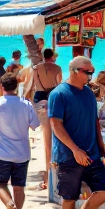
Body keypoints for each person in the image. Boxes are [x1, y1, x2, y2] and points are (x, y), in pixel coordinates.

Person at [49, 56, 105, 209]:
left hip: (91, 153)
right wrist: (74, 149)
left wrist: (101, 145)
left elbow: (95, 121)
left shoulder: (88, 93)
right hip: (68, 156)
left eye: (92, 72)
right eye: (88, 72)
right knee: (69, 198)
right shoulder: (58, 94)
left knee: (104, 191)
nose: (91, 76)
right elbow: (55, 125)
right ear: (75, 71)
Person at [0, 73, 40, 209]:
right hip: (22, 153)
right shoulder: (26, 104)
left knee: (0, 184)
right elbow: (35, 125)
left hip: (2, 153)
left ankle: (9, 204)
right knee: (19, 186)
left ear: (1, 88)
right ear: (16, 87)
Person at [26, 48, 62, 189]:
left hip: (39, 99)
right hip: (53, 98)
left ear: (43, 56)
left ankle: (48, 170)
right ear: (52, 56)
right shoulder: (58, 68)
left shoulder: (36, 68)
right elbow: (59, 86)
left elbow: (32, 85)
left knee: (46, 137)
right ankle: (51, 170)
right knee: (53, 135)